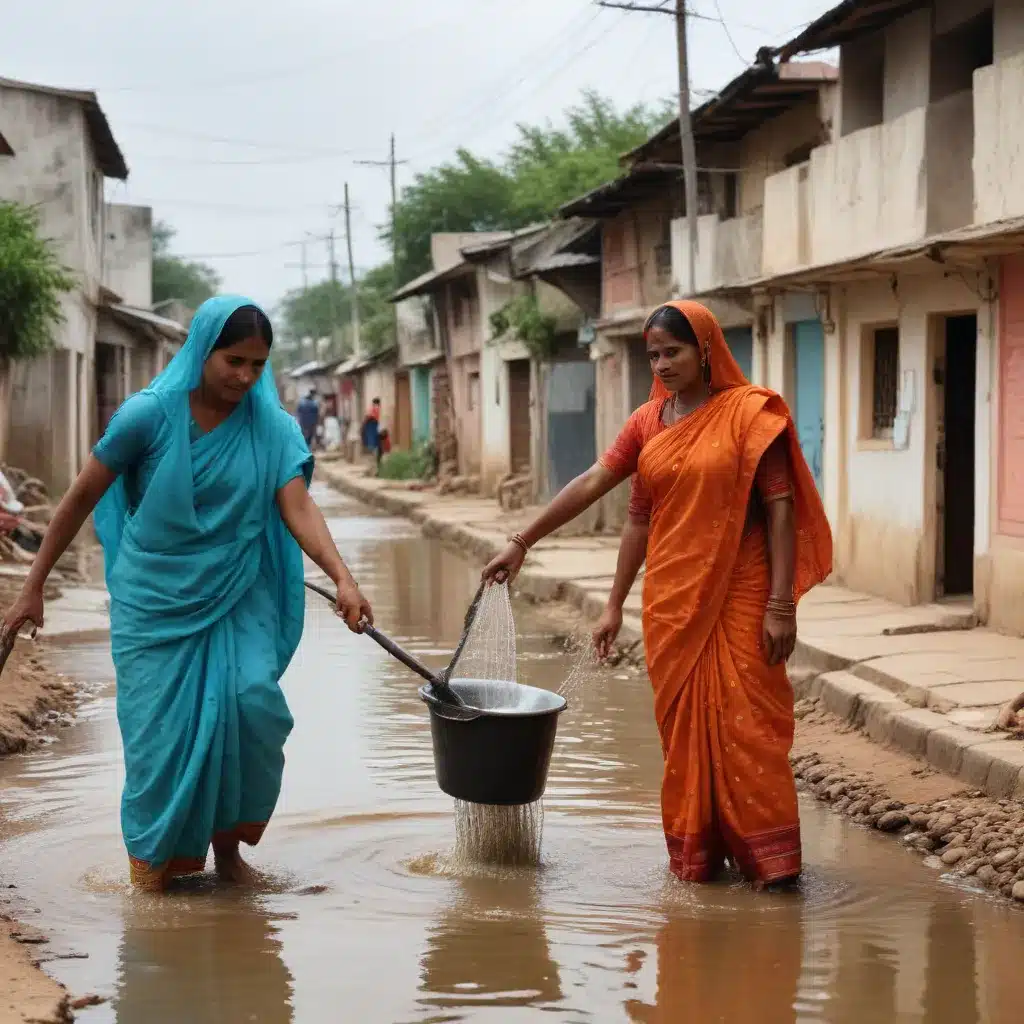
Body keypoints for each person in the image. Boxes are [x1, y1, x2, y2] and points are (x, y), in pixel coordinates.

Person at [2, 296, 373, 891]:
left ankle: (228, 858)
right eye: (234, 361)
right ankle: (151, 871)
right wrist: (33, 586)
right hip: (155, 601)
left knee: (249, 707)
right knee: (161, 739)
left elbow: (297, 505)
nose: (245, 377)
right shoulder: (146, 417)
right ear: (203, 350)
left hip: (238, 593)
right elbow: (79, 499)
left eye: (258, 364)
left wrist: (343, 578)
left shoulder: (270, 424)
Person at [483, 300, 832, 886]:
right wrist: (529, 545)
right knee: (684, 735)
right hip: (672, 600)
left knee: (749, 724)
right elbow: (622, 507)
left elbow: (779, 507)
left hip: (744, 591)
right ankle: (699, 861)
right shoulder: (648, 423)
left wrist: (780, 605)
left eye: (674, 351)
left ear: (706, 350)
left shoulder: (749, 414)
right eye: (654, 354)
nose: (664, 363)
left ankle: (772, 866)